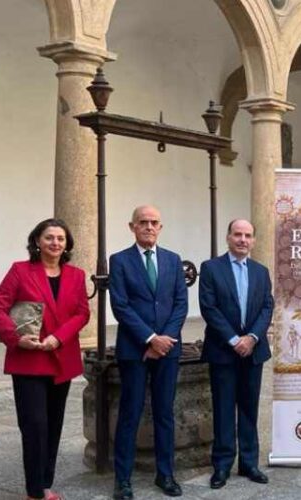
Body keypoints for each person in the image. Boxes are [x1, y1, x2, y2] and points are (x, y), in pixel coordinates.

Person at [0, 218, 90, 500]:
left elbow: (82, 313)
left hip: (60, 356)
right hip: (29, 359)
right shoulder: (20, 271)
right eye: (49, 237)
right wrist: (15, 337)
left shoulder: (76, 275)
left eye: (60, 238)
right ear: (37, 241)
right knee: (34, 425)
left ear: (67, 244)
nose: (55, 243)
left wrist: (59, 337)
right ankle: (35, 491)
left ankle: (45, 483)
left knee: (54, 424)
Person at [109, 206, 188, 499]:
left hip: (168, 348)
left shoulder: (172, 259)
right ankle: (123, 480)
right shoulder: (120, 261)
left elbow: (180, 303)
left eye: (154, 222)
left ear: (160, 227)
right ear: (132, 226)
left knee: (165, 413)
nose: (149, 227)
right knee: (130, 413)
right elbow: (120, 305)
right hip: (135, 349)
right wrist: (150, 338)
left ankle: (165, 475)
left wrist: (164, 339)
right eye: (143, 222)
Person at [199, 219, 274, 489]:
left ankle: (249, 463)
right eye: (238, 234)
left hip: (253, 352)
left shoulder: (261, 271)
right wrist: (234, 340)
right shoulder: (211, 268)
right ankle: (221, 466)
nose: (243, 240)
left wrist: (252, 338)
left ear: (253, 241)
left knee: (249, 408)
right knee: (223, 409)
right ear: (228, 237)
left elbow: (267, 307)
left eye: (248, 235)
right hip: (223, 351)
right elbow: (209, 308)